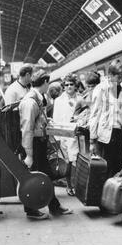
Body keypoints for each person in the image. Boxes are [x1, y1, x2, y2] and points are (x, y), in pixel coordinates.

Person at [19, 70, 73, 220]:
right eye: (47, 83)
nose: (48, 85)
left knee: (46, 175)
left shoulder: (37, 98)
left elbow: (36, 123)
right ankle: (31, 210)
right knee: (32, 178)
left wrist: (46, 122)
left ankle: (54, 206)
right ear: (43, 83)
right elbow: (26, 129)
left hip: (39, 144)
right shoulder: (30, 102)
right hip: (33, 145)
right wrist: (29, 154)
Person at [89, 64, 122, 178]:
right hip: (105, 136)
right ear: (110, 75)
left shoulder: (121, 90)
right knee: (106, 168)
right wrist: (92, 140)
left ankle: (113, 194)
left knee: (118, 167)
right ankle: (103, 194)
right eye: (119, 77)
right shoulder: (100, 89)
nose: (121, 80)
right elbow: (95, 114)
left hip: (118, 134)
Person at [53, 73, 83, 196]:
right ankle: (69, 185)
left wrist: (78, 120)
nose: (69, 86)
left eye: (71, 84)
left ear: (76, 85)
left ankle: (76, 185)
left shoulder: (81, 99)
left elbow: (85, 114)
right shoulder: (59, 101)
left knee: (75, 159)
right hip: (64, 135)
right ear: (63, 86)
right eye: (66, 85)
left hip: (77, 134)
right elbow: (56, 119)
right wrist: (57, 138)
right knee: (67, 161)